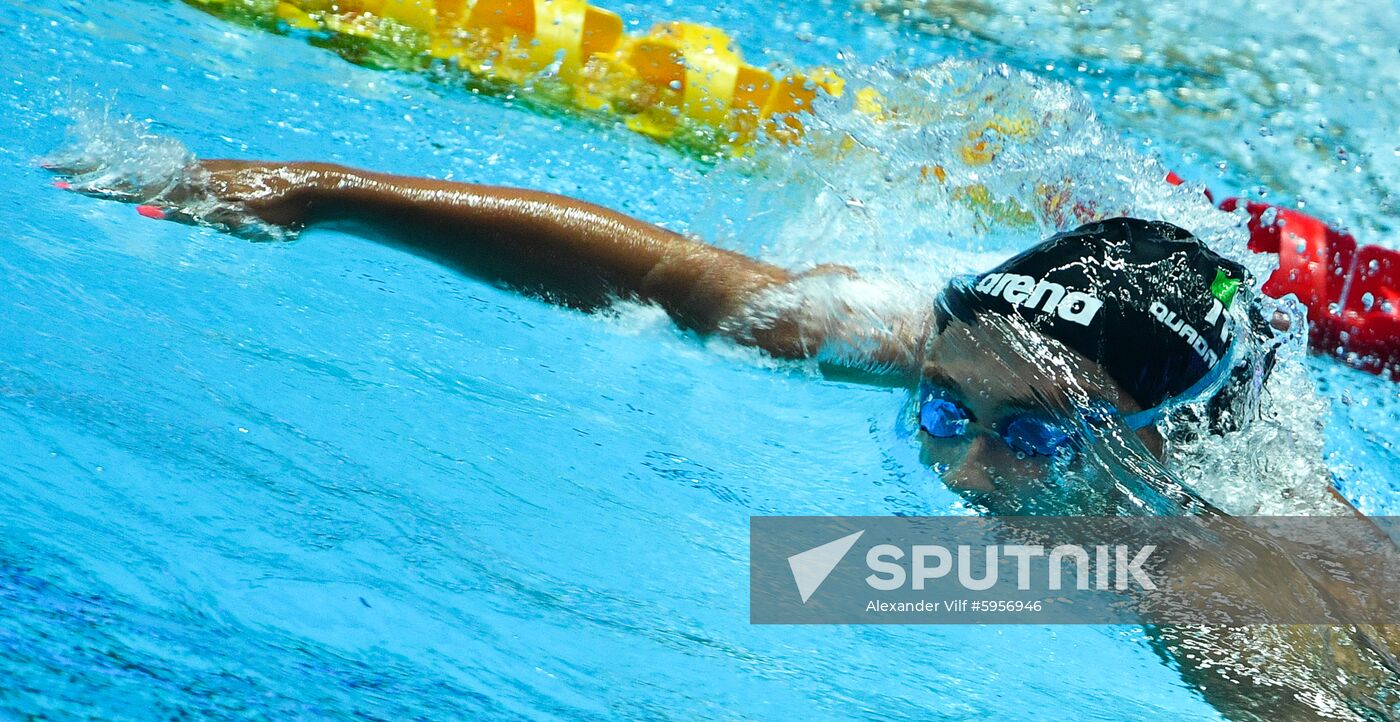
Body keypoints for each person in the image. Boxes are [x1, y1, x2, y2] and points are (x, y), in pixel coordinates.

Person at [51, 157, 1399, 720]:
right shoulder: (948, 336)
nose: (967, 468)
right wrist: (325, 197)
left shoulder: (1214, 582)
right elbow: (675, 279)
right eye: (942, 410)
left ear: (1158, 453)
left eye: (1030, 442)